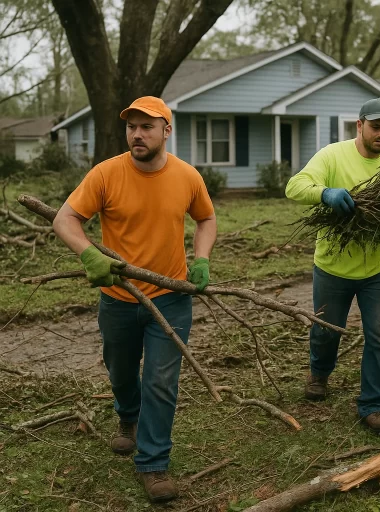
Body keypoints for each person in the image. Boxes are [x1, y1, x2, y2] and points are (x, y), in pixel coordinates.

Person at [52, 96, 217, 502]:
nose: (137, 134)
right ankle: (128, 417)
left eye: (147, 126)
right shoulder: (107, 174)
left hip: (171, 296)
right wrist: (88, 252)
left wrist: (202, 258)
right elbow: (65, 218)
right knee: (121, 370)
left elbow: (206, 218)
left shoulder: (187, 177)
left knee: (161, 381)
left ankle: (154, 464)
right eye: (132, 127)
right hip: (118, 298)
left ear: (167, 131)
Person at [284, 97, 380, 434]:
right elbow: (295, 186)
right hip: (333, 267)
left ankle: (373, 406)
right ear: (359, 125)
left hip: (379, 268)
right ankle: (319, 373)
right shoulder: (332, 155)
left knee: (379, 335)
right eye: (376, 127)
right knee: (325, 331)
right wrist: (326, 194)